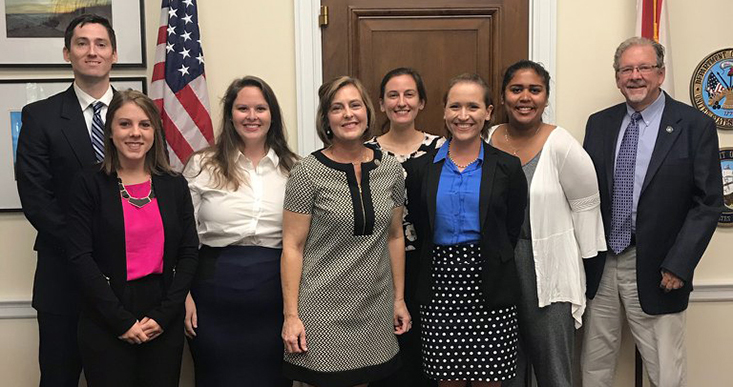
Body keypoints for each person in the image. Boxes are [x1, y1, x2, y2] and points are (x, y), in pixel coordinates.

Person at [581, 37, 722, 387]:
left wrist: (679, 263)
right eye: (626, 69)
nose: (635, 76)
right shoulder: (598, 124)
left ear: (660, 74)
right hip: (601, 264)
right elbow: (585, 195)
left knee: (665, 369)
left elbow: (707, 202)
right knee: (594, 365)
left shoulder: (693, 125)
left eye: (644, 67)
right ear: (617, 78)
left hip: (661, 267)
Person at [281, 76, 411, 387]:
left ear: (367, 112)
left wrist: (399, 299)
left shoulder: (390, 169)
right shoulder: (306, 173)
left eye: (355, 105)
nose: (348, 114)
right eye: (337, 108)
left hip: (373, 307)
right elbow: (292, 246)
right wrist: (291, 316)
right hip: (321, 311)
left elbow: (395, 236)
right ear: (326, 120)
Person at [65, 90, 198, 386]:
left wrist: (165, 316)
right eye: (125, 124)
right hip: (105, 312)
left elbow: (189, 253)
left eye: (145, 125)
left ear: (155, 133)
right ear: (110, 131)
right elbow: (79, 257)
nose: (135, 133)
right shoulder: (88, 183)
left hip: (163, 312)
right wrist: (121, 321)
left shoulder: (174, 184)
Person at [486, 60, 606, 387]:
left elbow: (587, 207)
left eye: (534, 90)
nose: (525, 97)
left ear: (546, 98)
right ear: (503, 96)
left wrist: (587, 274)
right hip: (499, 269)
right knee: (505, 368)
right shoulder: (489, 137)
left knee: (553, 368)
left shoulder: (561, 143)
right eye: (516, 89)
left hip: (549, 269)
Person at [404, 73, 527, 387]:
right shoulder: (420, 169)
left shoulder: (507, 167)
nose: (463, 115)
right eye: (455, 106)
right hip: (438, 284)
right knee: (447, 380)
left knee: (490, 379)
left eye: (472, 107)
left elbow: (511, 227)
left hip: (491, 282)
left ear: (487, 112)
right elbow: (420, 223)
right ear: (444, 112)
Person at [14, 14, 117, 386]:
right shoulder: (39, 117)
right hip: (63, 280)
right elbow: (37, 198)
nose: (92, 51)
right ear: (67, 53)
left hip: (127, 281)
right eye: (82, 43)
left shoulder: (141, 116)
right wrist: (86, 251)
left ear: (114, 54)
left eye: (101, 44)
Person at [183, 76, 297, 387]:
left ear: (272, 114)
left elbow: (303, 241)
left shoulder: (294, 169)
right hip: (212, 295)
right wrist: (184, 296)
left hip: (275, 296)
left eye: (260, 108)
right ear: (230, 114)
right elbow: (182, 238)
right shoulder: (202, 165)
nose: (251, 116)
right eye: (242, 108)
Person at [367, 67, 443, 387]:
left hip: (430, 266)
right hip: (377, 268)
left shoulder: (443, 150)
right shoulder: (365, 153)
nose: (401, 102)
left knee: (427, 356)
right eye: (393, 95)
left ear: (422, 102)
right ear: (381, 104)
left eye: (409, 94)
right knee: (385, 358)